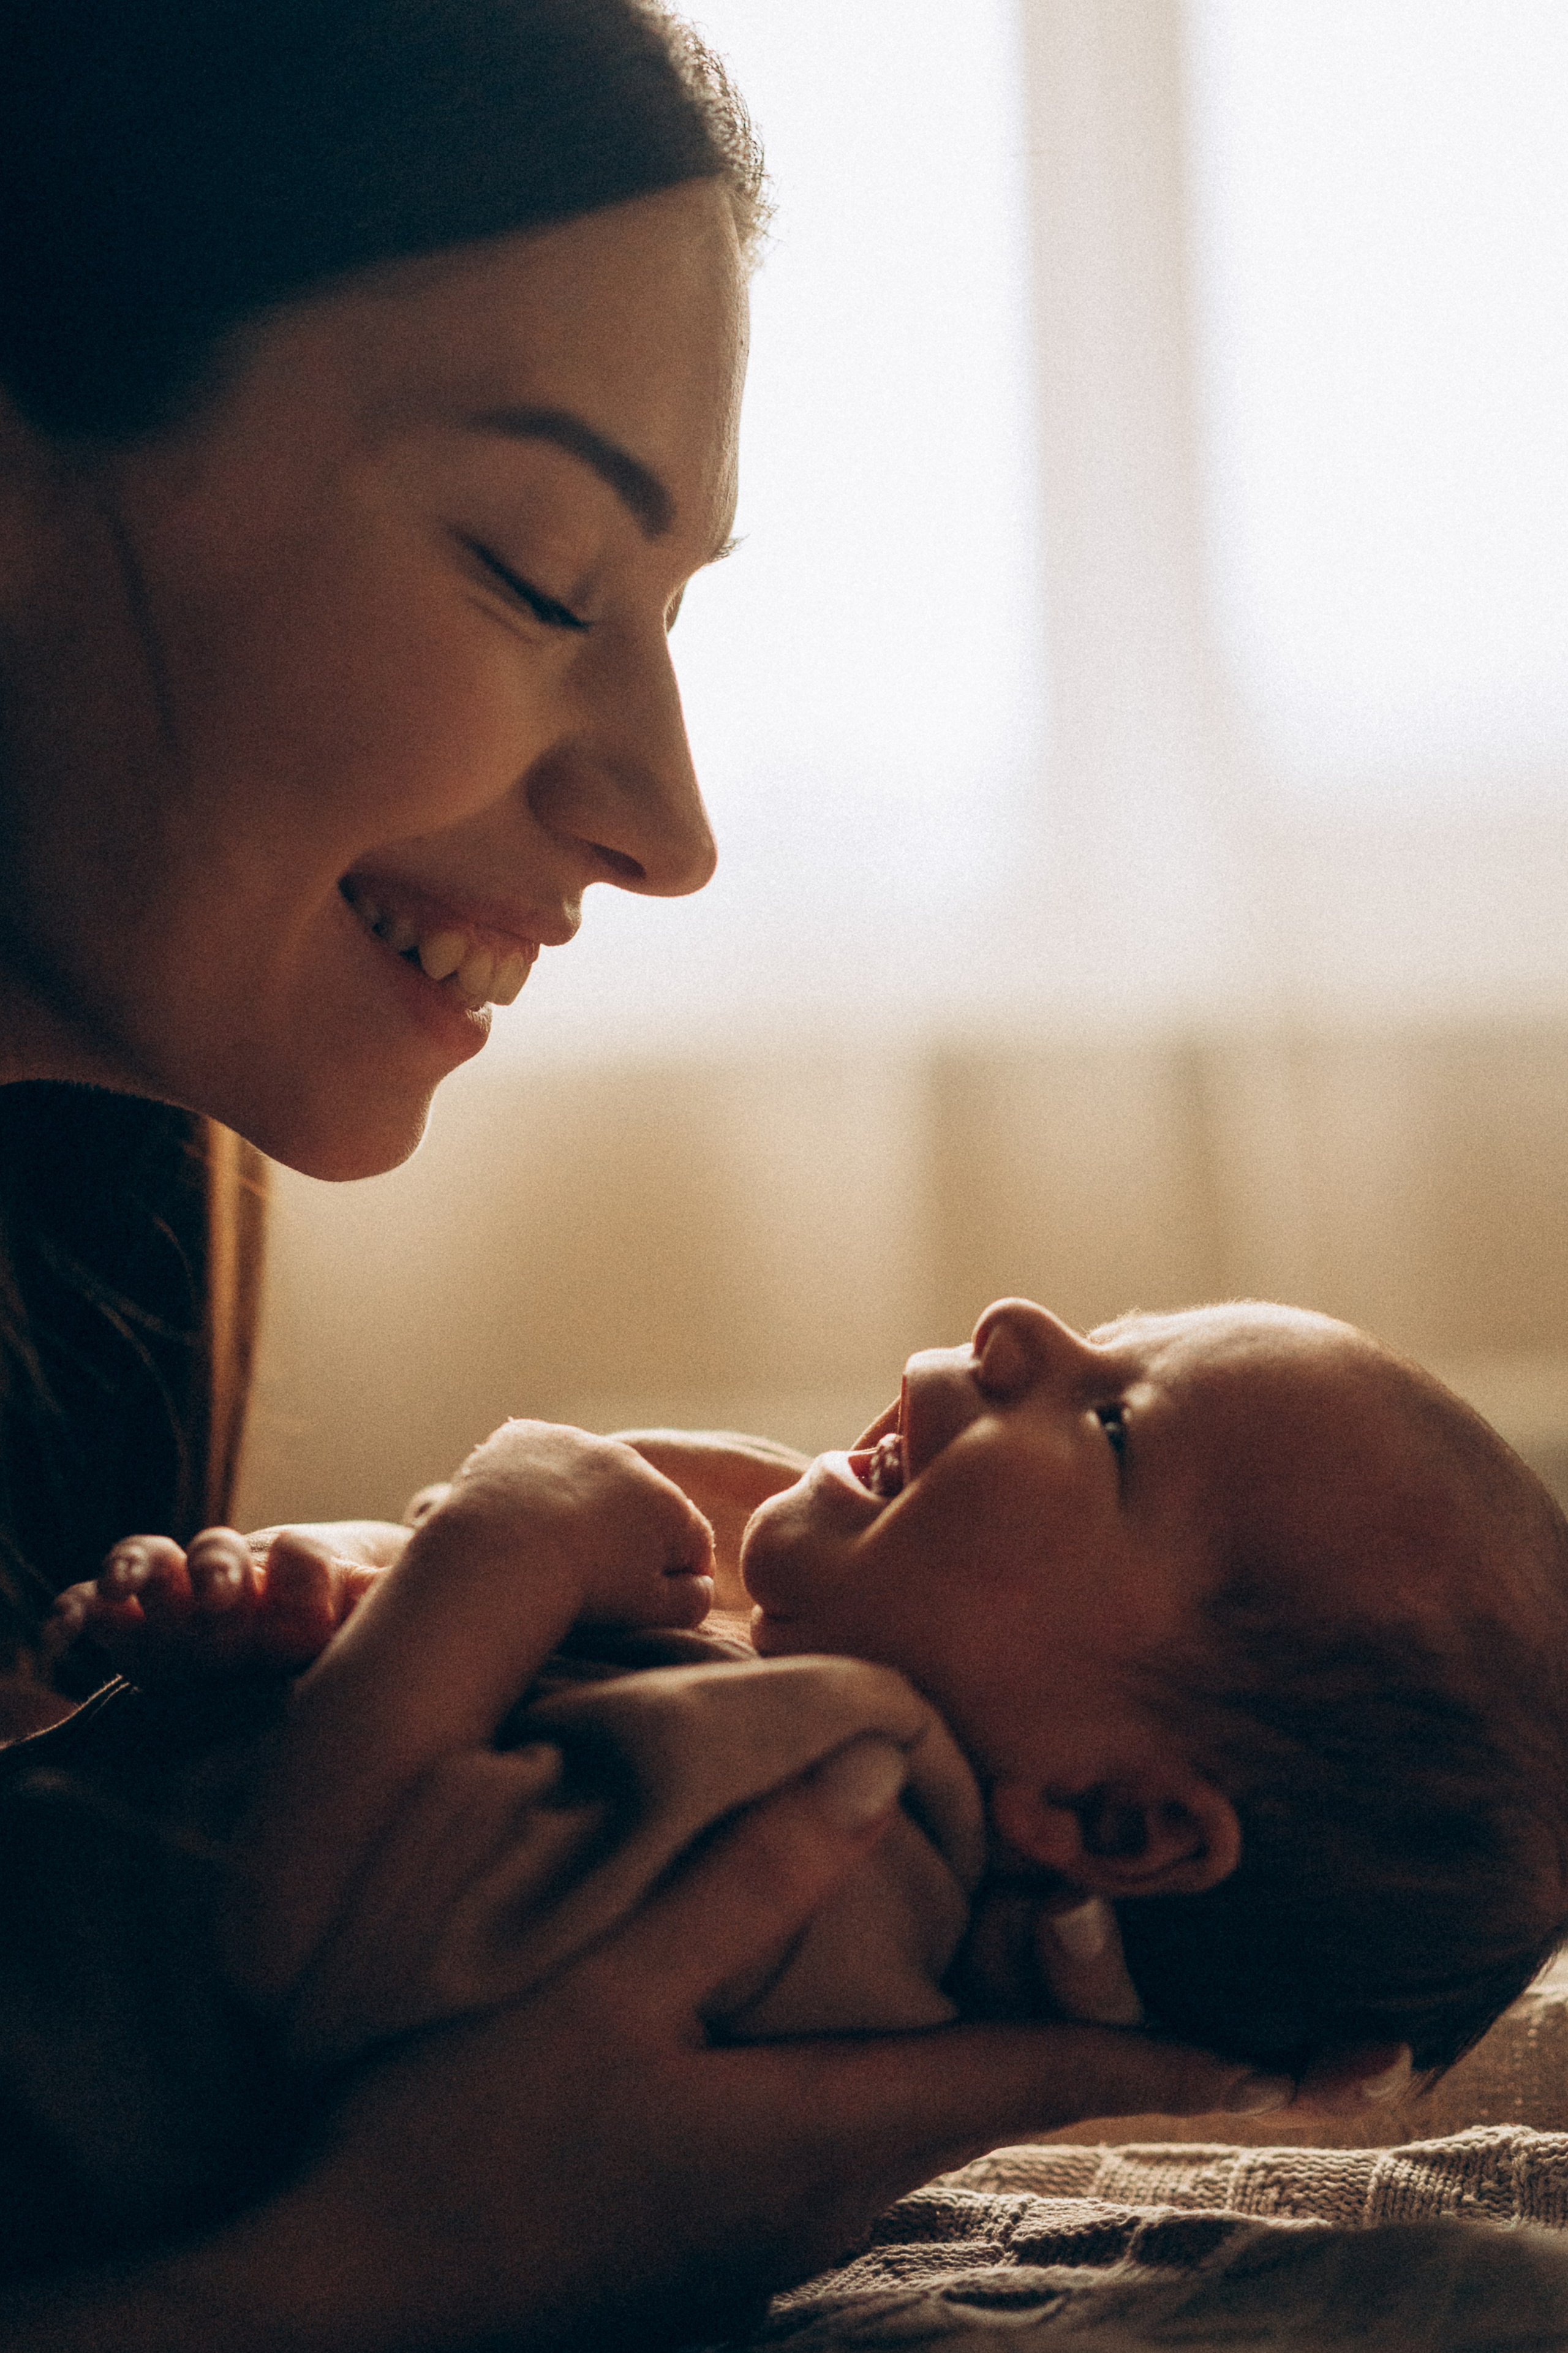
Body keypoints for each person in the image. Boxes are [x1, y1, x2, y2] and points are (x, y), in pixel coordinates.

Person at [0, 0, 1407, 2340]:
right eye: (548, 574)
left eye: (670, 619)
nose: (670, 827)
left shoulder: (86, 1275)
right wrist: (414, 2260)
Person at [54, 1292, 1568, 2094]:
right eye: (1108, 1324)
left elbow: (300, 1921)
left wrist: (508, 1528)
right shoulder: (789, 1720)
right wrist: (318, 1597)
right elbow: (446, 1757)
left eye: (1109, 1425)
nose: (1018, 1325)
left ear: (1119, 1815)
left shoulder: (832, 1848)